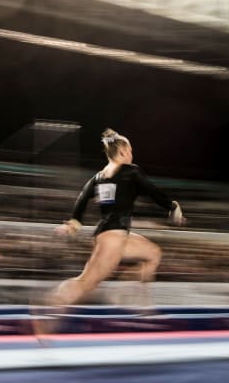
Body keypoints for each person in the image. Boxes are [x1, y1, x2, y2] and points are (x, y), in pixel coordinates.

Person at [41, 128, 185, 316]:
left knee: (153, 253)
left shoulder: (98, 177)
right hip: (113, 238)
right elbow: (151, 190)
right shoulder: (130, 172)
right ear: (123, 152)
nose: (132, 155)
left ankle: (143, 305)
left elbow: (82, 200)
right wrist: (172, 206)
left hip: (115, 235)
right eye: (130, 151)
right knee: (87, 283)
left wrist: (73, 224)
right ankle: (50, 303)